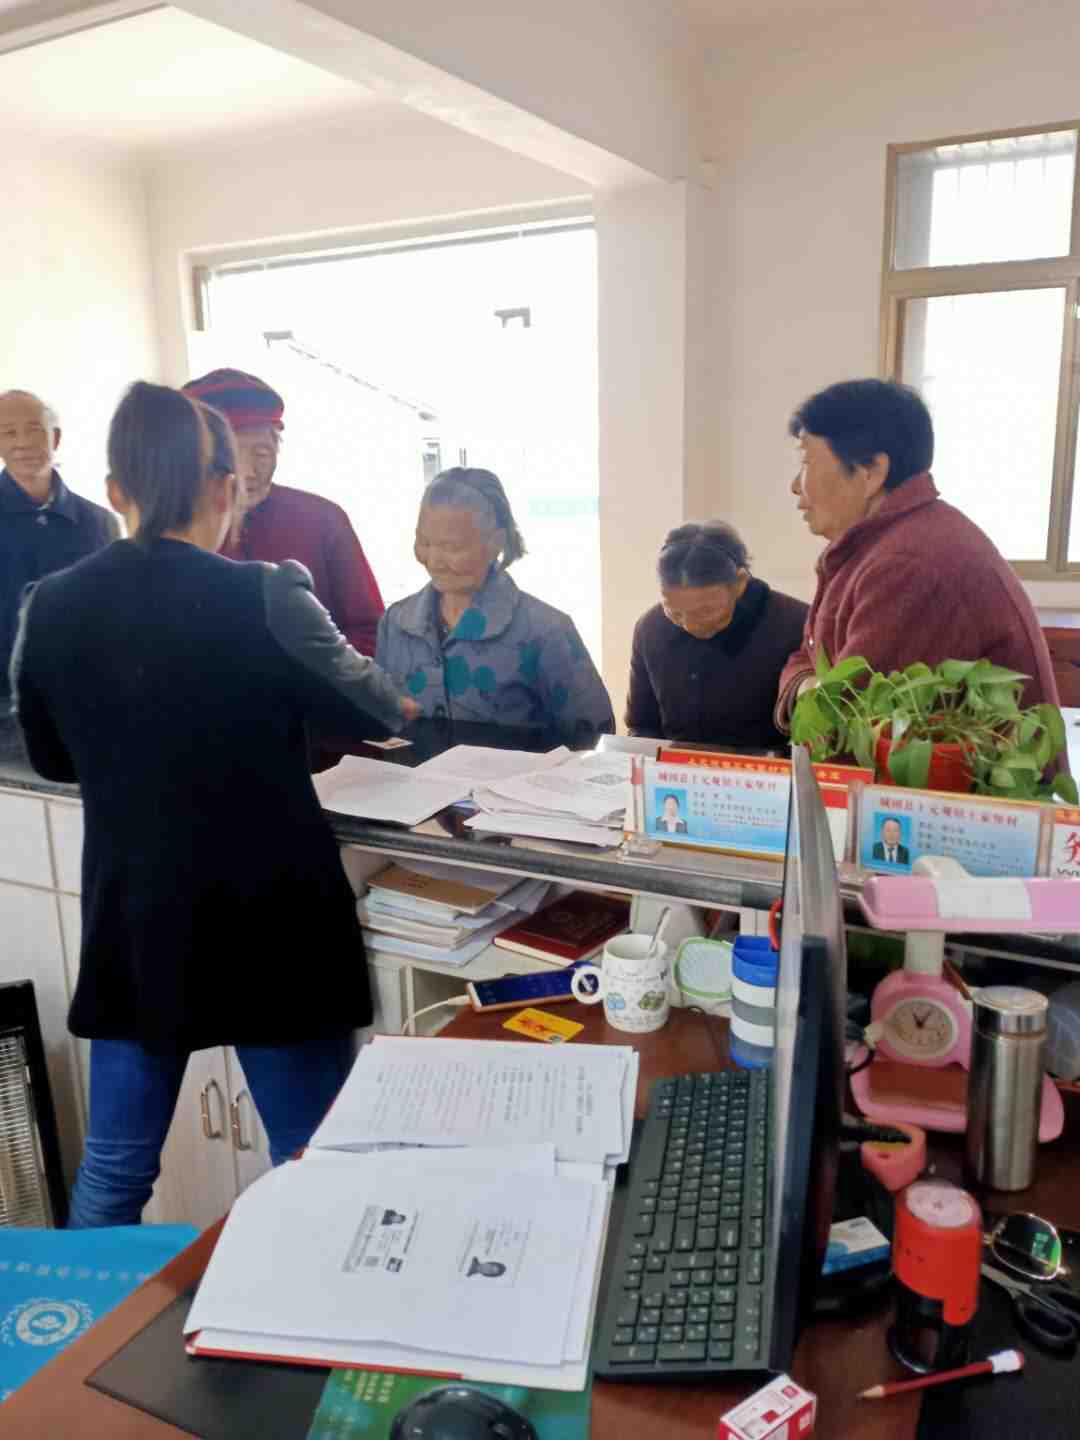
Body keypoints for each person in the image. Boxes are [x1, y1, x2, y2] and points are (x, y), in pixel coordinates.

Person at [10, 381, 418, 1228]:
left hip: (138, 920)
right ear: (227, 488)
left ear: (114, 491)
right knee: (308, 1162)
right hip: (274, 920)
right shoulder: (266, 593)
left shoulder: (51, 604)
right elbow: (379, 709)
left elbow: (51, 757)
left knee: (114, 1173)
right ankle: (303, 1312)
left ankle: (86, 1318)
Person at [776, 379, 1060, 729]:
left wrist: (809, 690)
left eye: (806, 462)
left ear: (871, 472)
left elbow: (847, 723)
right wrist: (809, 686)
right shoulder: (881, 544)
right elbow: (807, 658)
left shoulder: (908, 566)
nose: (795, 486)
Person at [377, 467, 615, 738]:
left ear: (496, 543)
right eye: (424, 542)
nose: (434, 560)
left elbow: (593, 736)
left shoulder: (546, 631)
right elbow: (384, 722)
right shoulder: (396, 623)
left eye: (452, 547)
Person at [182, 369, 384, 655]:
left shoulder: (322, 519)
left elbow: (373, 631)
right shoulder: (177, 528)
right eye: (233, 455)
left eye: (262, 453)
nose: (249, 472)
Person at [627, 522, 808, 748]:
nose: (690, 625)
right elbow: (641, 725)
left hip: (771, 767)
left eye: (706, 611)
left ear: (740, 582)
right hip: (673, 767)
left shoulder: (795, 623)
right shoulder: (651, 628)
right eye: (675, 612)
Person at [0, 390, 119, 707]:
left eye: (34, 430)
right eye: (9, 432)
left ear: (55, 437)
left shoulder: (100, 523)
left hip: (85, 700)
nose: (23, 443)